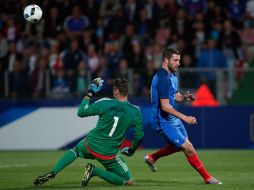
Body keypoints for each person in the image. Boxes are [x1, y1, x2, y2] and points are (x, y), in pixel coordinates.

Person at [34, 78, 144, 187]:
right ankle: (94, 171)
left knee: (75, 151)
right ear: (127, 91)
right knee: (127, 181)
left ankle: (53, 172)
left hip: (90, 144)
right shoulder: (135, 111)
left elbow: (81, 112)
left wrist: (89, 92)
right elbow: (139, 136)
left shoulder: (104, 102)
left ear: (116, 91)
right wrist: (131, 150)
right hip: (108, 154)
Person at [144, 48, 222, 184]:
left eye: (179, 60)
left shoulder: (172, 76)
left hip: (171, 118)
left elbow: (174, 96)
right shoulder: (162, 78)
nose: (178, 63)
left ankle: (152, 158)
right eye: (175, 60)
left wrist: (184, 97)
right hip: (162, 120)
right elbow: (165, 106)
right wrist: (185, 117)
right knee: (188, 147)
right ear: (166, 60)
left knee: (182, 146)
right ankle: (207, 178)